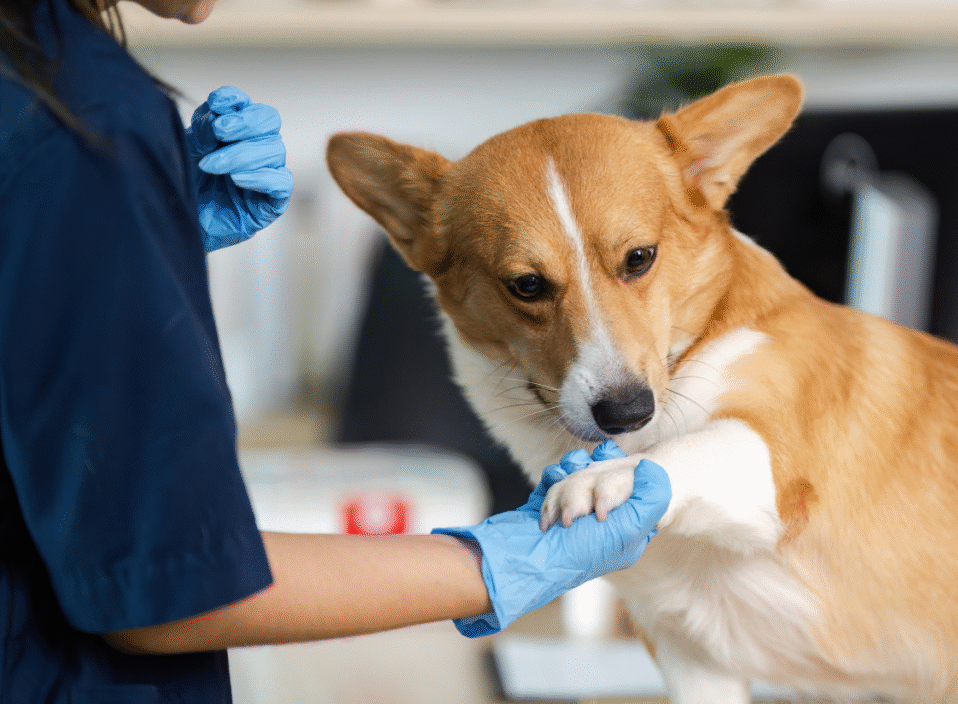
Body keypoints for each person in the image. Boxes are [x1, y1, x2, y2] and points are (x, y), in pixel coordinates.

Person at [0, 0, 673, 700]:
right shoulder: (80, 115)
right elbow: (171, 591)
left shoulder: (46, 96)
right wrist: (503, 562)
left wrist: (113, 257)